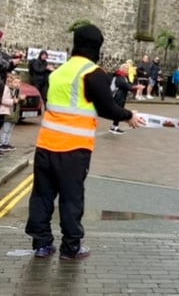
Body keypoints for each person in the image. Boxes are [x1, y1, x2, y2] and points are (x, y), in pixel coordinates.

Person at [25, 24, 144, 260]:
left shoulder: (58, 72)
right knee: (71, 198)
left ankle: (41, 244)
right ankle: (71, 248)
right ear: (97, 47)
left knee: (41, 196)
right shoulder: (93, 73)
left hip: (46, 145)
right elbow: (107, 108)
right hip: (73, 149)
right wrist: (130, 116)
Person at [0, 74, 25, 151]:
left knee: (10, 130)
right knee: (5, 129)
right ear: (11, 82)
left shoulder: (18, 91)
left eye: (19, 83)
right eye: (15, 82)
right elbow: (3, 100)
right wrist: (13, 101)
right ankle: (2, 144)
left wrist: (22, 99)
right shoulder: (7, 90)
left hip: (14, 114)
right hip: (8, 113)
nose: (17, 84)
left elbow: (21, 103)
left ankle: (7, 143)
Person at [109, 63, 134, 134]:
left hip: (121, 96)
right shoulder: (119, 76)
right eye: (127, 68)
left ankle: (114, 126)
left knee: (118, 112)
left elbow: (128, 84)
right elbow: (125, 85)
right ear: (122, 69)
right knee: (118, 112)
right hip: (117, 96)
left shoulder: (123, 76)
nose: (128, 70)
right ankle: (114, 128)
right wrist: (133, 87)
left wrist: (132, 86)